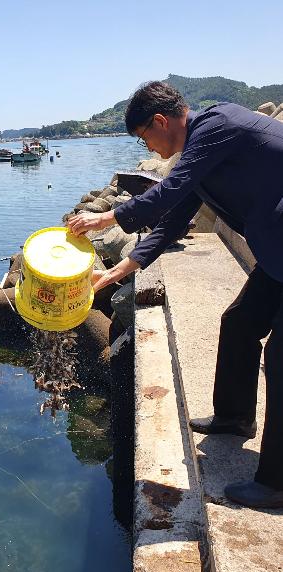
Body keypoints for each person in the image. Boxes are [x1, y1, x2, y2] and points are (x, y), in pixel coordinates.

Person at [67, 81, 283, 509]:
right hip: (277, 252)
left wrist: (105, 218)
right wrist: (114, 274)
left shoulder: (218, 125)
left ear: (160, 122)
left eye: (144, 138)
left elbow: (165, 193)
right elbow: (172, 220)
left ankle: (276, 482)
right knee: (239, 323)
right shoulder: (203, 150)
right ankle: (235, 417)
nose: (149, 147)